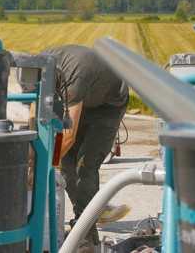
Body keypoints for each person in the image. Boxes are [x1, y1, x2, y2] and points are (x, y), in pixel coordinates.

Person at [44, 44, 130, 251]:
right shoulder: (36, 70)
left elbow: (69, 136)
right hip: (83, 98)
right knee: (67, 168)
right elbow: (35, 115)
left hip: (107, 106)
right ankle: (90, 210)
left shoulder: (73, 74)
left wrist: (45, 164)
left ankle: (87, 237)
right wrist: (32, 156)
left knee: (84, 166)